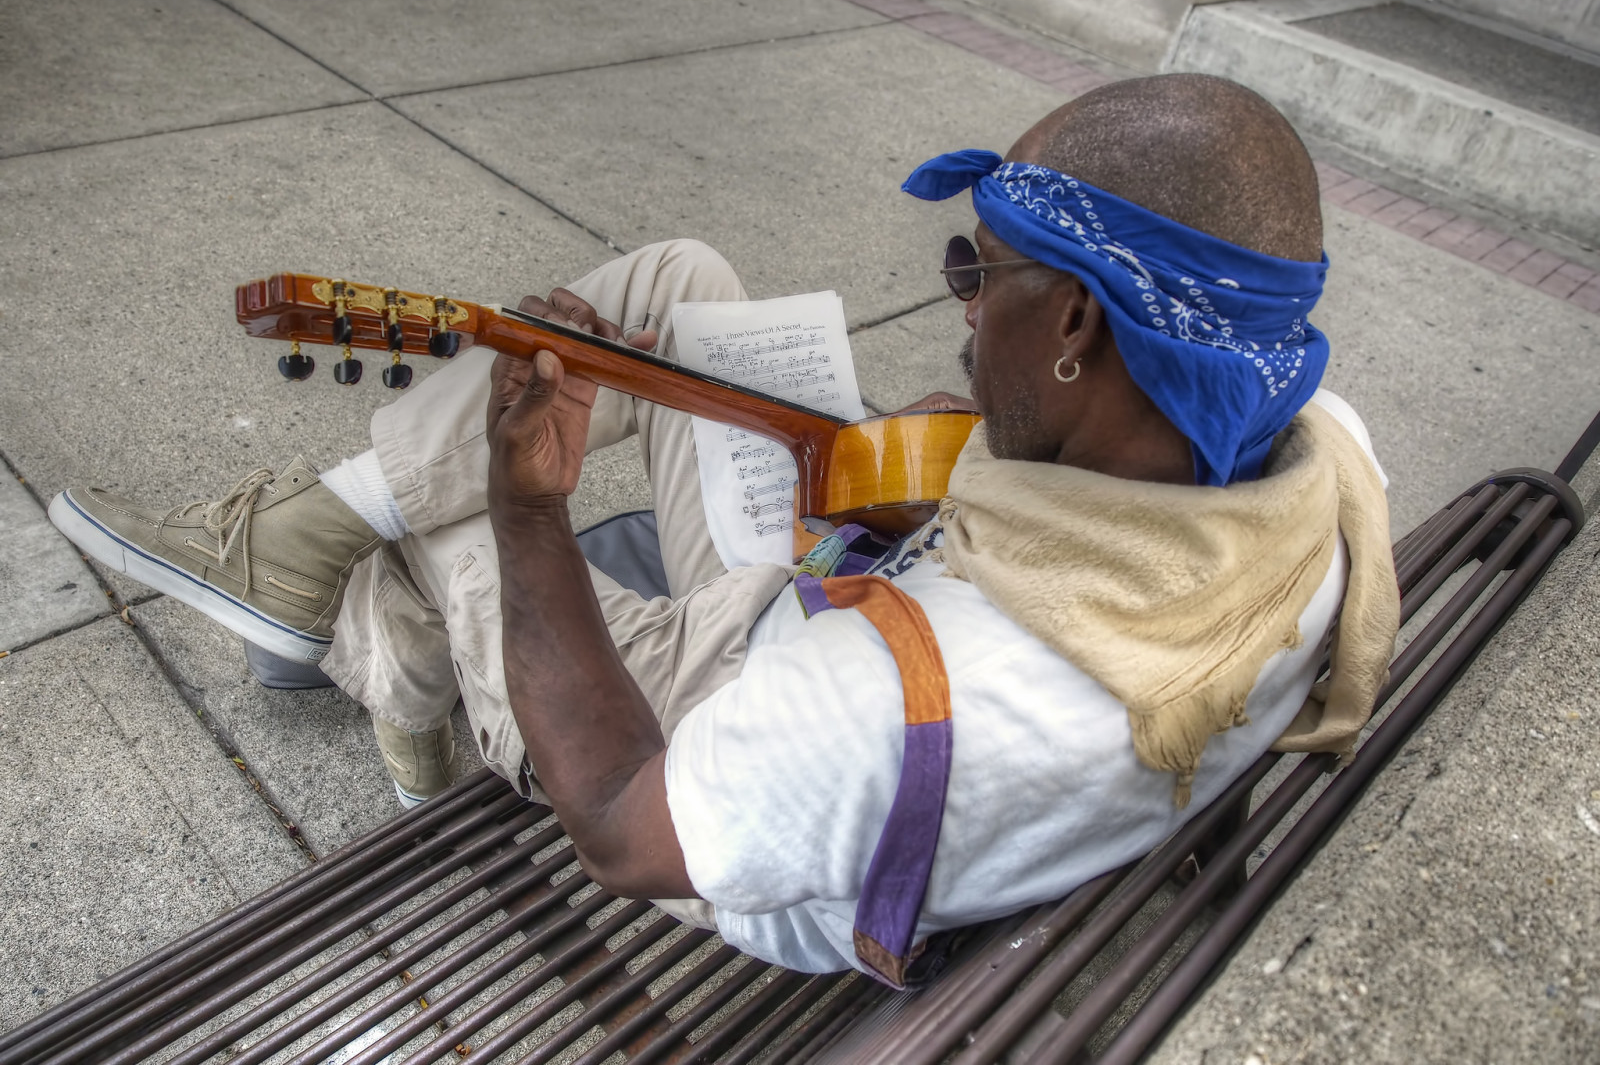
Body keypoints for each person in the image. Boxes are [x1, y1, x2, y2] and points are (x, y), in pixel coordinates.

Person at [49, 74, 1399, 982]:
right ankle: (316, 539)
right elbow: (1107, 456)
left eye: (975, 273)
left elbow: (622, 823)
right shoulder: (1314, 452)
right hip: (852, 618)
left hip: (729, 731)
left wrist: (534, 513)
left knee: (447, 522)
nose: (957, 308)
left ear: (1076, 329)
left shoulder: (891, 705)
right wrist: (985, 455)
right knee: (679, 284)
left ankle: (372, 631)